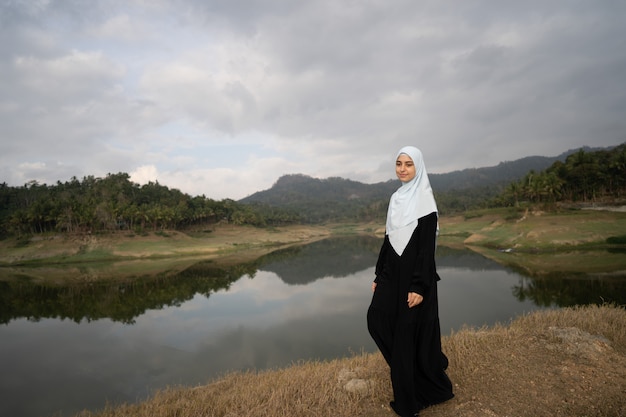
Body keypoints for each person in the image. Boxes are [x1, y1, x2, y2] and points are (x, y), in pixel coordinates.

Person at [367, 146, 454, 417]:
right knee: (376, 319)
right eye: (399, 164)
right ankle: (414, 371)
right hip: (392, 275)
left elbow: (426, 250)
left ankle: (409, 400)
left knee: (405, 334)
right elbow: (388, 238)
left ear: (418, 167)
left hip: (414, 278)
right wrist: (379, 275)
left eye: (408, 164)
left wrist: (419, 286)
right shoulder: (396, 198)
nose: (402, 169)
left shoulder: (425, 202)